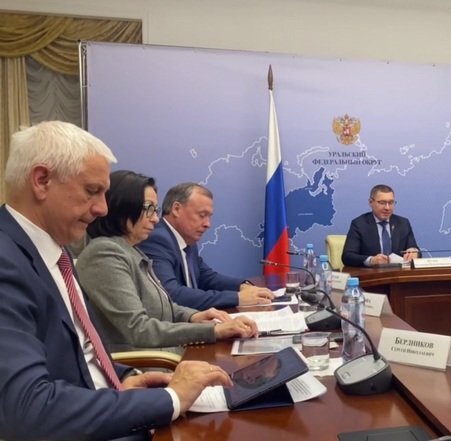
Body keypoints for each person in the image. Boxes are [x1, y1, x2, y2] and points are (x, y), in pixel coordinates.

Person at [0, 121, 234, 441]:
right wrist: (170, 399)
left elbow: (81, 353)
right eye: (92, 191)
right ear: (42, 181)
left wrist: (125, 377)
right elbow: (28, 408)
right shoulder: (7, 261)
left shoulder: (56, 253)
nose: (102, 208)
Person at [76, 170, 259, 354]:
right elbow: (139, 329)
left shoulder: (131, 250)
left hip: (166, 354)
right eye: (148, 209)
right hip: (148, 363)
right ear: (122, 206)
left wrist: (193, 316)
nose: (155, 218)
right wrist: (213, 330)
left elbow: (163, 305)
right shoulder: (105, 254)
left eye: (155, 210)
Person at [138, 182, 274, 310]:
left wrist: (243, 286)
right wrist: (237, 298)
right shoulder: (157, 239)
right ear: (176, 209)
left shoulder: (187, 239)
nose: (207, 224)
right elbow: (170, 294)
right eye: (202, 215)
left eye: (209, 217)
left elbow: (207, 277)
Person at [341, 184, 420, 267]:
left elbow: (415, 250)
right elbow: (347, 256)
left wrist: (414, 252)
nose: (387, 208)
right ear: (370, 202)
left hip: (399, 272)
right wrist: (371, 260)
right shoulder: (359, 224)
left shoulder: (403, 223)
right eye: (382, 203)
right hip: (372, 273)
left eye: (391, 203)